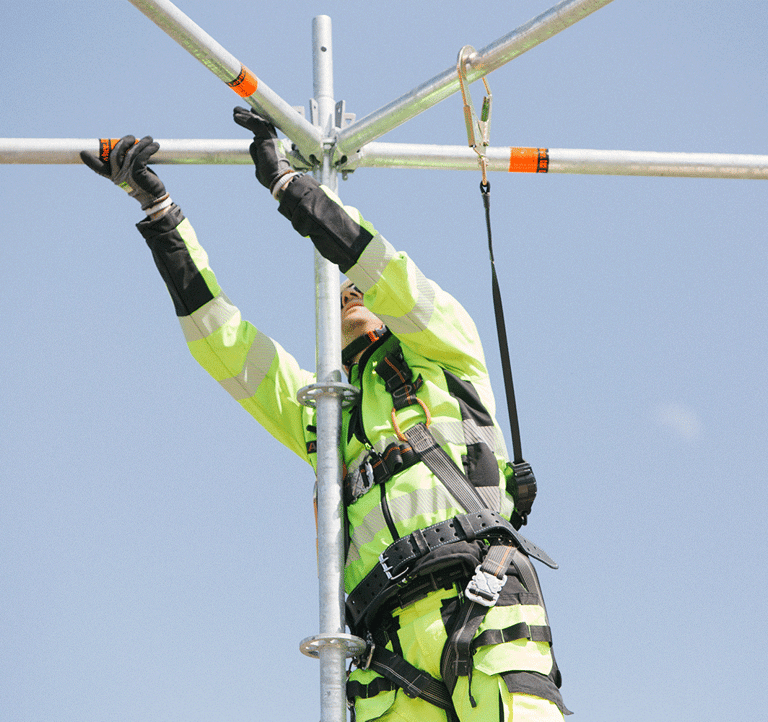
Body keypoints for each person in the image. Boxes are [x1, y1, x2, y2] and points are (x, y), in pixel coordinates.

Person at [80, 107, 569, 722]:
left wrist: (291, 188)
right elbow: (222, 344)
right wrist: (161, 216)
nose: (352, 294)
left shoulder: (448, 349)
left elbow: (383, 268)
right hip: (391, 659)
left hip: (486, 611)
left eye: (358, 290)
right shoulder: (324, 416)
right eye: (337, 299)